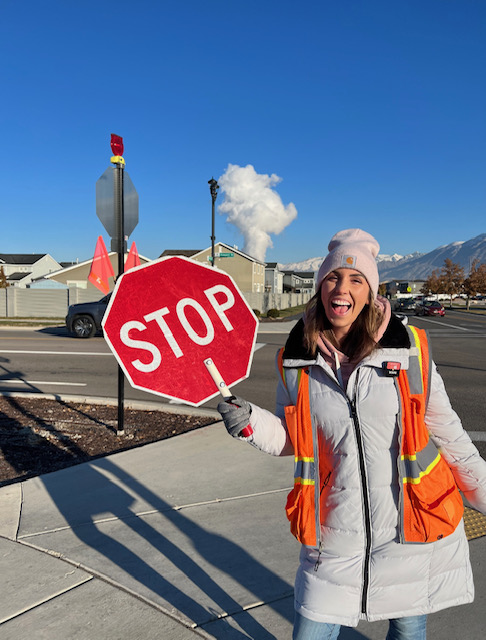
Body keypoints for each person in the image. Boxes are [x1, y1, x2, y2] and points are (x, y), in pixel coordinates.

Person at [218, 228, 486, 640]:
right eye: (332, 277)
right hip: (333, 532)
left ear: (371, 290)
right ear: (319, 286)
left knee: (408, 630)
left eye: (356, 279)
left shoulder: (409, 350)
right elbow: (290, 438)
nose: (342, 288)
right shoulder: (294, 360)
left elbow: (452, 438)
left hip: (410, 528)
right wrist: (250, 422)